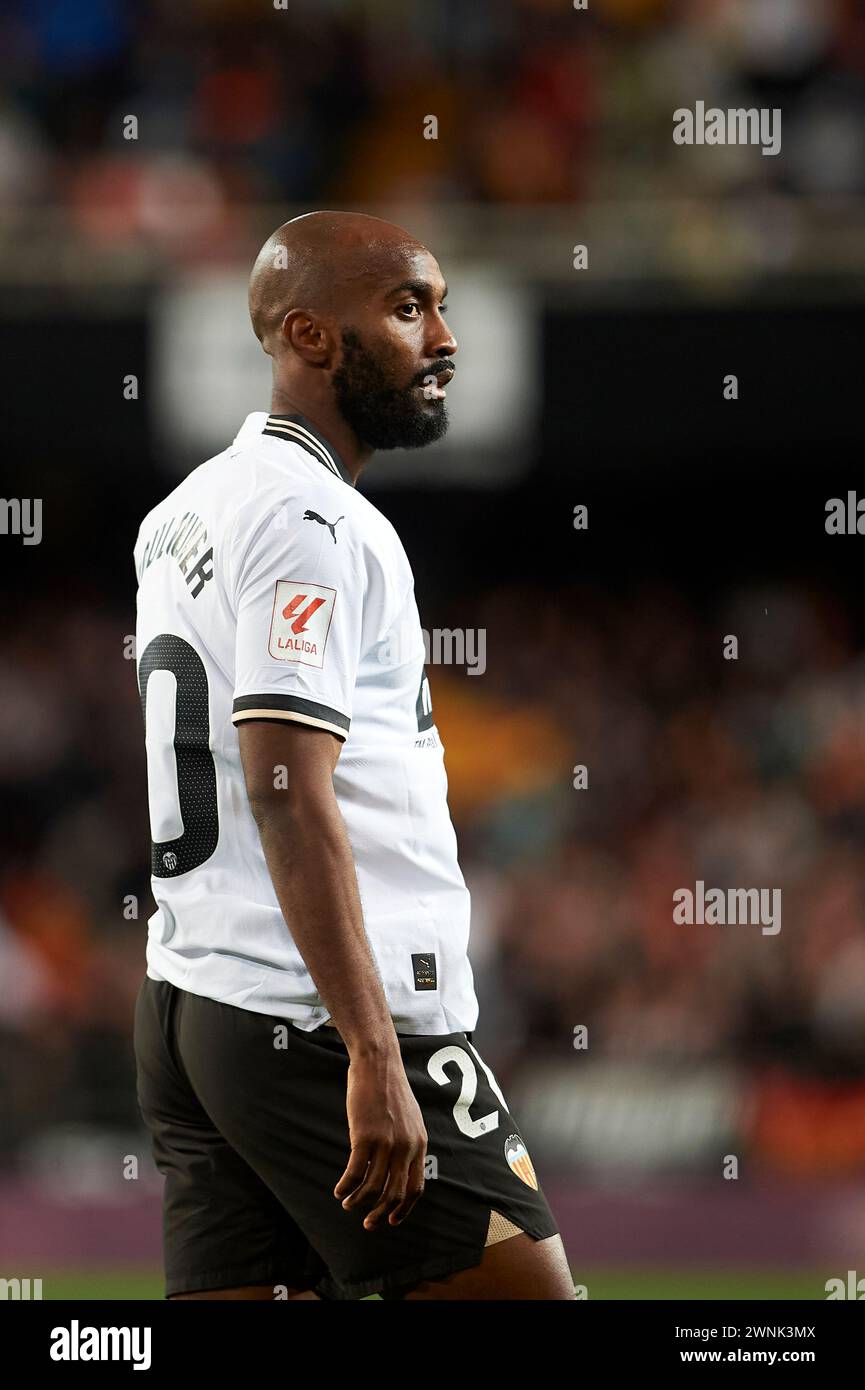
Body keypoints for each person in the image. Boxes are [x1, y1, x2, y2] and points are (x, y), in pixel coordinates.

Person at [133, 211, 574, 1300]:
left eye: (440, 305)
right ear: (310, 337)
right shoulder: (311, 521)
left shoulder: (183, 512)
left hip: (198, 1000)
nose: (445, 338)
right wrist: (377, 1054)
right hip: (317, 1015)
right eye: (408, 307)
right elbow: (286, 792)